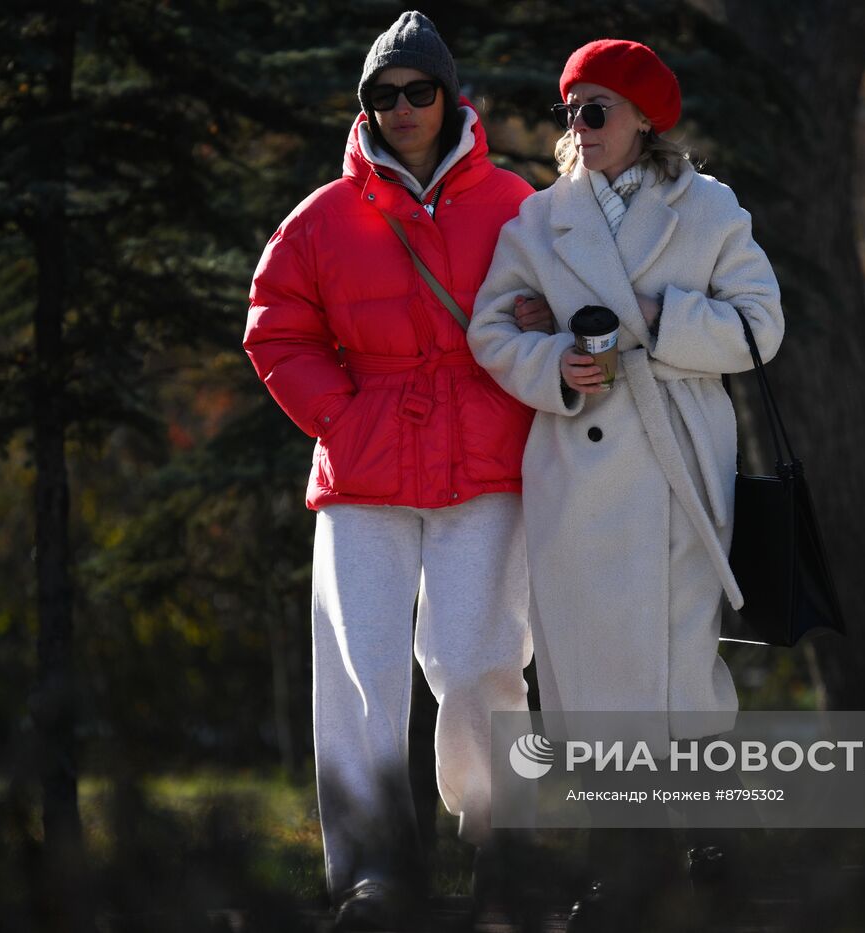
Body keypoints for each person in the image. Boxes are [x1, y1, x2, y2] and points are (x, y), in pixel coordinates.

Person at [467, 38, 785, 930]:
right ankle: (624, 856)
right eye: (571, 111)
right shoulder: (539, 221)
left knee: (680, 656)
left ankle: (705, 835)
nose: (581, 126)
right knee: (584, 667)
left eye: (598, 109)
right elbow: (493, 333)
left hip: (678, 458)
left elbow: (762, 328)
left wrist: (655, 315)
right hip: (576, 462)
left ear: (645, 119)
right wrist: (557, 364)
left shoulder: (709, 209)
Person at [243, 11, 543, 931]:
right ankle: (375, 875)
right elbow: (275, 327)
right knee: (360, 676)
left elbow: (568, 306)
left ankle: (504, 845)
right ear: (366, 106)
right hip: (364, 470)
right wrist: (341, 414)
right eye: (386, 94)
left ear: (452, 98)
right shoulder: (323, 217)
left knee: (480, 662)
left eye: (420, 90)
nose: (404, 107)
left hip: (486, 462)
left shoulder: (518, 203)